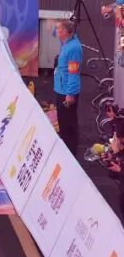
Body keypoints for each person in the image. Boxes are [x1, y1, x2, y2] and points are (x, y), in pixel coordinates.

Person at [52, 19, 82, 156]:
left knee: (68, 126)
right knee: (63, 124)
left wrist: (70, 94)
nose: (56, 31)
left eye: (58, 29)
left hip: (67, 93)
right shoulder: (66, 44)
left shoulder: (73, 48)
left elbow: (73, 73)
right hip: (62, 90)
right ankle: (66, 152)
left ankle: (71, 155)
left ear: (65, 31)